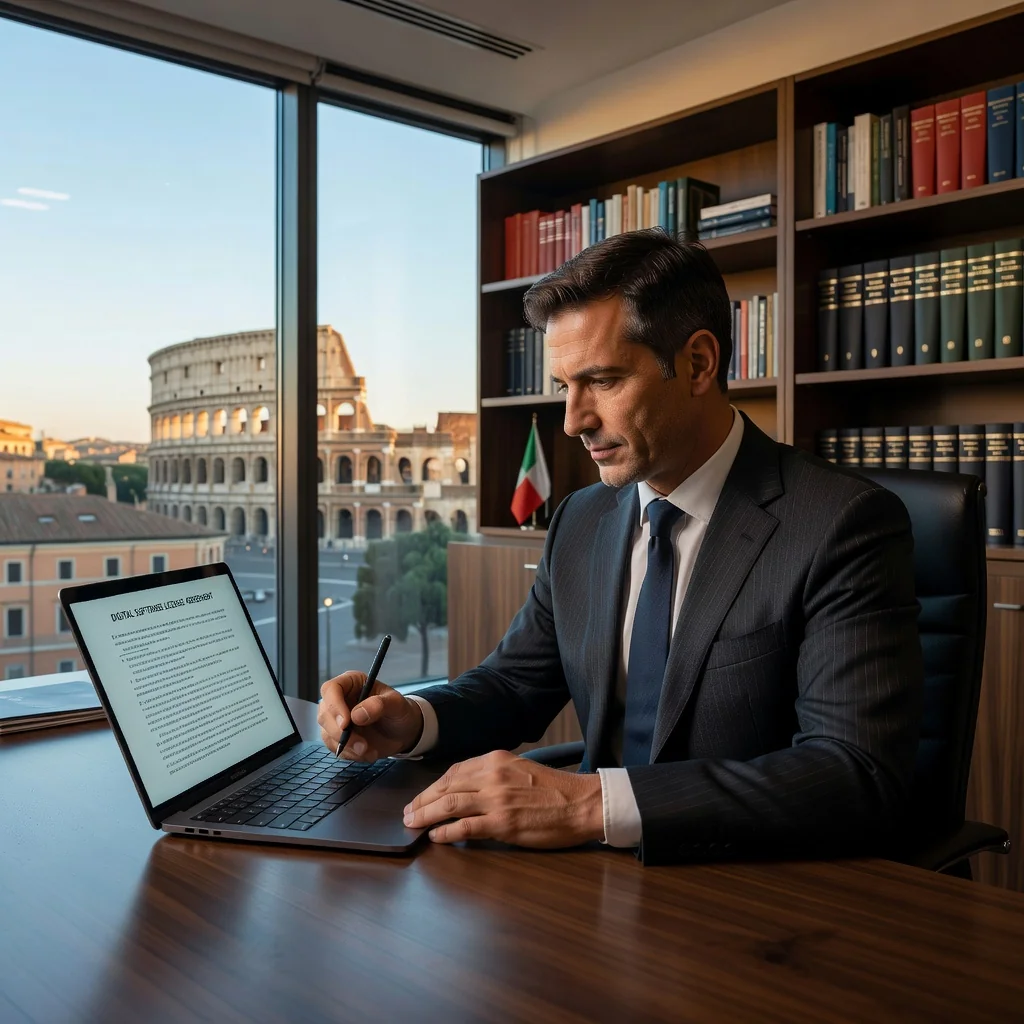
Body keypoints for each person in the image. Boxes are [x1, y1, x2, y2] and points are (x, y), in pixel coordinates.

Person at [318, 230, 924, 865]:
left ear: (698, 364)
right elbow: (515, 684)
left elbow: (853, 771)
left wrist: (591, 805)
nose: (573, 421)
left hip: (751, 882)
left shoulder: (841, 523)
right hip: (589, 877)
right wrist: (413, 719)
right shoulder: (582, 518)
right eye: (565, 386)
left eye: (602, 381)